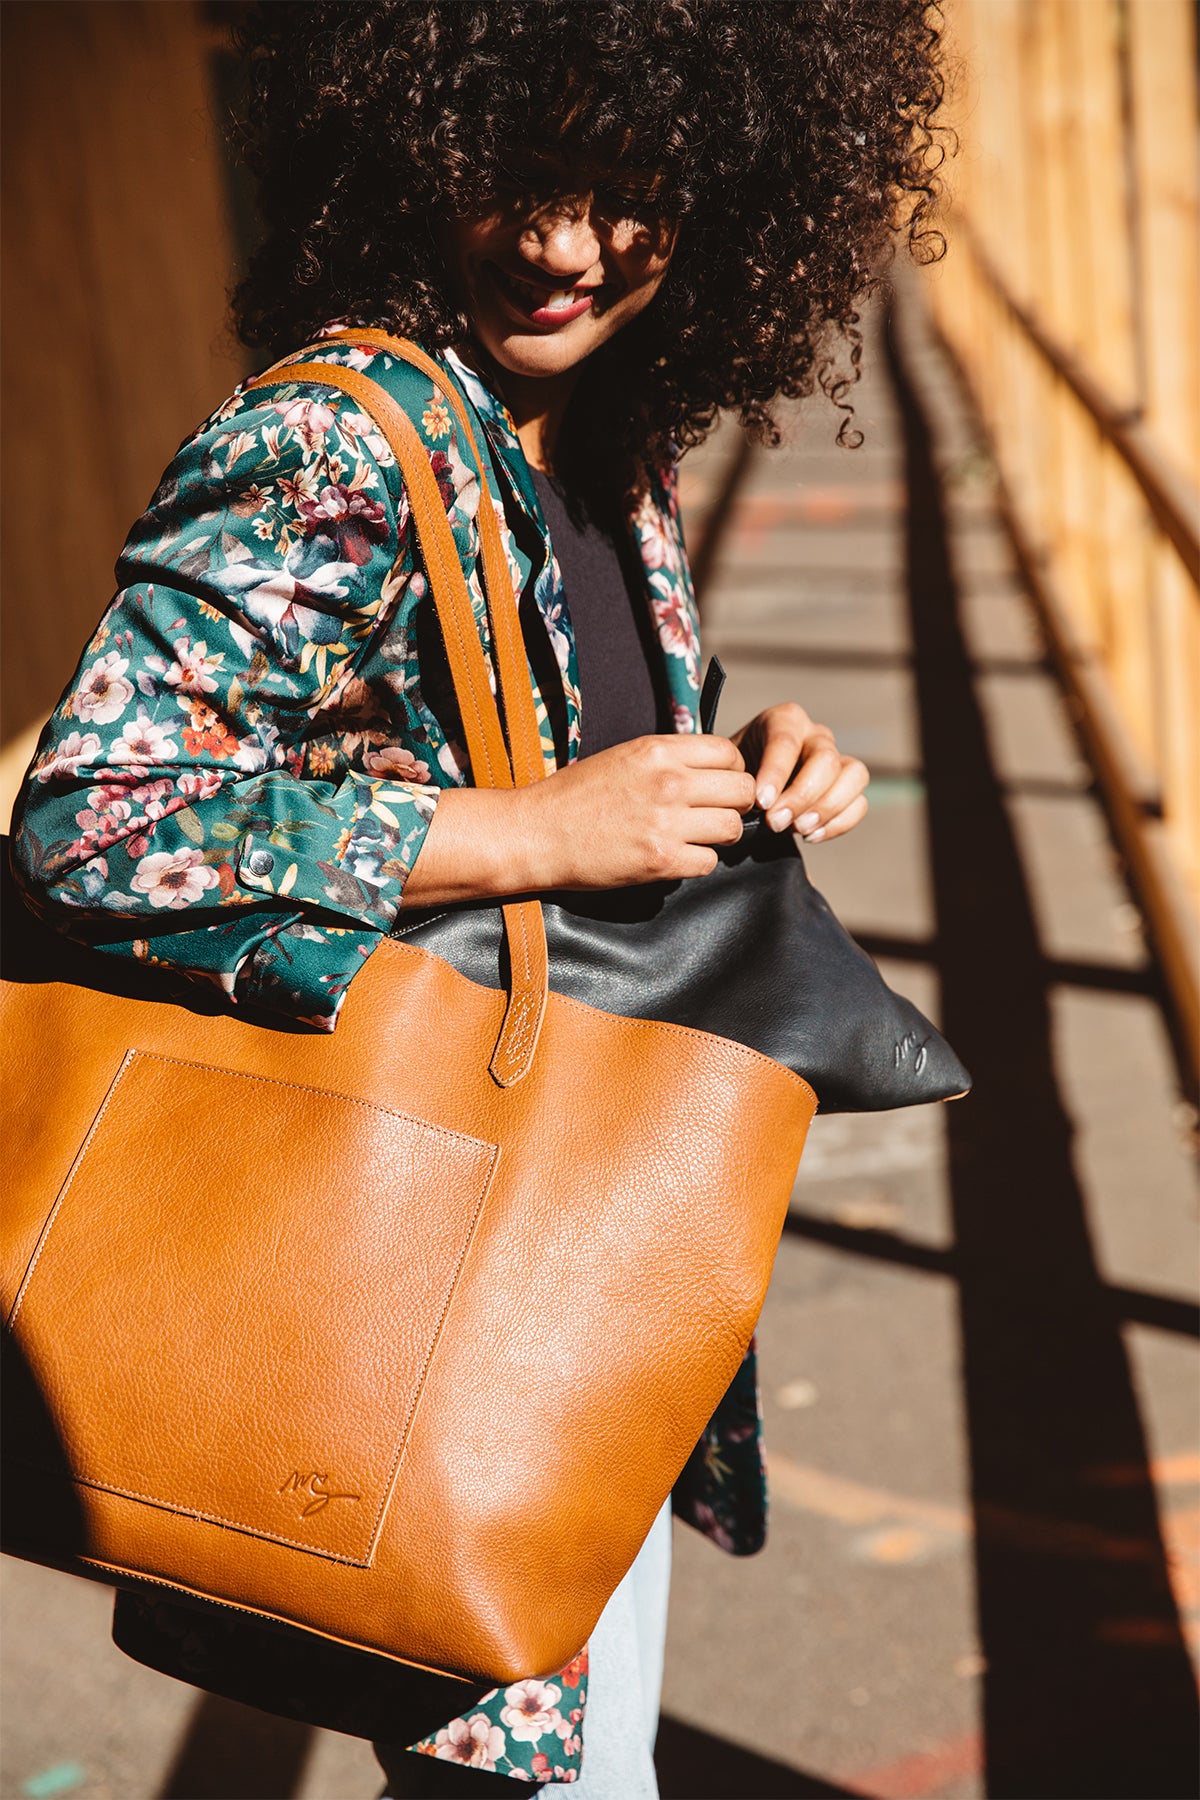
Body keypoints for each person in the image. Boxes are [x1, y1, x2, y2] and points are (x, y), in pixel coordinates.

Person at [10, 4, 943, 1793]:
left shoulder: (602, 426)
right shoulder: (340, 439)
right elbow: (94, 813)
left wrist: (726, 762)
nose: (565, 245)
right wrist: (525, 836)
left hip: (571, 1243)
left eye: (627, 184)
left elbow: (553, 737)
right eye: (518, 174)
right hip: (431, 1271)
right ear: (415, 145)